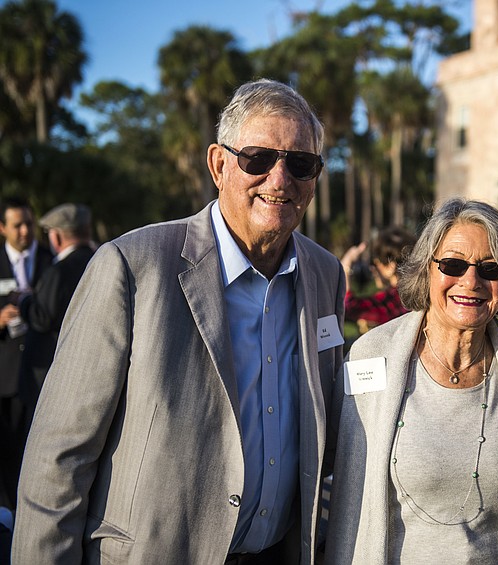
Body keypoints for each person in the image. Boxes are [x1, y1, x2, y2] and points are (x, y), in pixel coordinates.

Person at [12, 79, 346, 564]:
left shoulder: (325, 275)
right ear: (219, 165)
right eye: (257, 159)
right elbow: (58, 458)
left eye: (300, 163)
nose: (280, 179)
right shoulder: (132, 265)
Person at [325, 198, 498, 564]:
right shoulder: (370, 356)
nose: (471, 282)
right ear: (426, 269)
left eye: (490, 268)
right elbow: (341, 475)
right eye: (453, 264)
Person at [17, 203, 96, 437]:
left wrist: (23, 302)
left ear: (57, 236)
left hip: (50, 376)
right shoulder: (100, 262)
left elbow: (43, 317)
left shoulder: (58, 271)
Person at [0, 197, 53, 509]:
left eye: (29, 224)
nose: (24, 231)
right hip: (5, 378)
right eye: (17, 225)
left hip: (43, 376)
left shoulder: (51, 260)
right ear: (2, 228)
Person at [340, 226, 416, 334]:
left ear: (390, 267)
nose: (373, 269)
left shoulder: (392, 300)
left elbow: (347, 308)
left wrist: (346, 265)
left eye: (377, 263)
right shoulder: (417, 293)